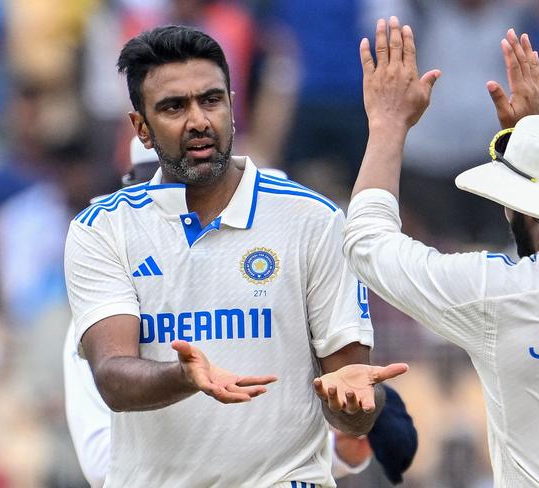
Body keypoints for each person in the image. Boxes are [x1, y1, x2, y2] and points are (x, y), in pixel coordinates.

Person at [64, 26, 407, 488]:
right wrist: (182, 378)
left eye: (211, 100)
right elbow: (112, 379)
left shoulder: (314, 220)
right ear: (141, 129)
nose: (198, 120)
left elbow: (346, 394)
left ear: (231, 105)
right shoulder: (102, 228)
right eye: (173, 107)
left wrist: (361, 405)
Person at [343, 16, 539, 487]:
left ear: (519, 210)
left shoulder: (499, 293)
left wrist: (388, 123)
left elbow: (367, 242)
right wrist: (536, 141)